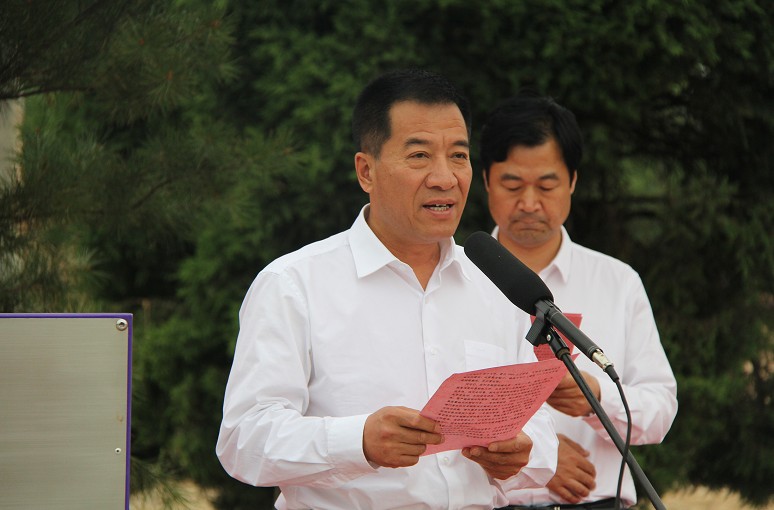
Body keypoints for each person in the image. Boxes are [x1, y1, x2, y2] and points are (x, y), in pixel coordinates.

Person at [216, 69, 558, 510]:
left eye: (458, 155)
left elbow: (538, 426)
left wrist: (523, 451)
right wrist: (357, 441)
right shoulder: (293, 285)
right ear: (366, 171)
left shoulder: (496, 284)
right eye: (419, 156)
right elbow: (244, 439)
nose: (445, 178)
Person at [479, 92, 678, 510]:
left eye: (546, 185)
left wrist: (597, 396)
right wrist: (539, 454)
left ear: (572, 181)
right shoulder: (451, 278)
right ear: (485, 181)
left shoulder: (618, 282)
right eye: (512, 185)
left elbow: (661, 409)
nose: (529, 203)